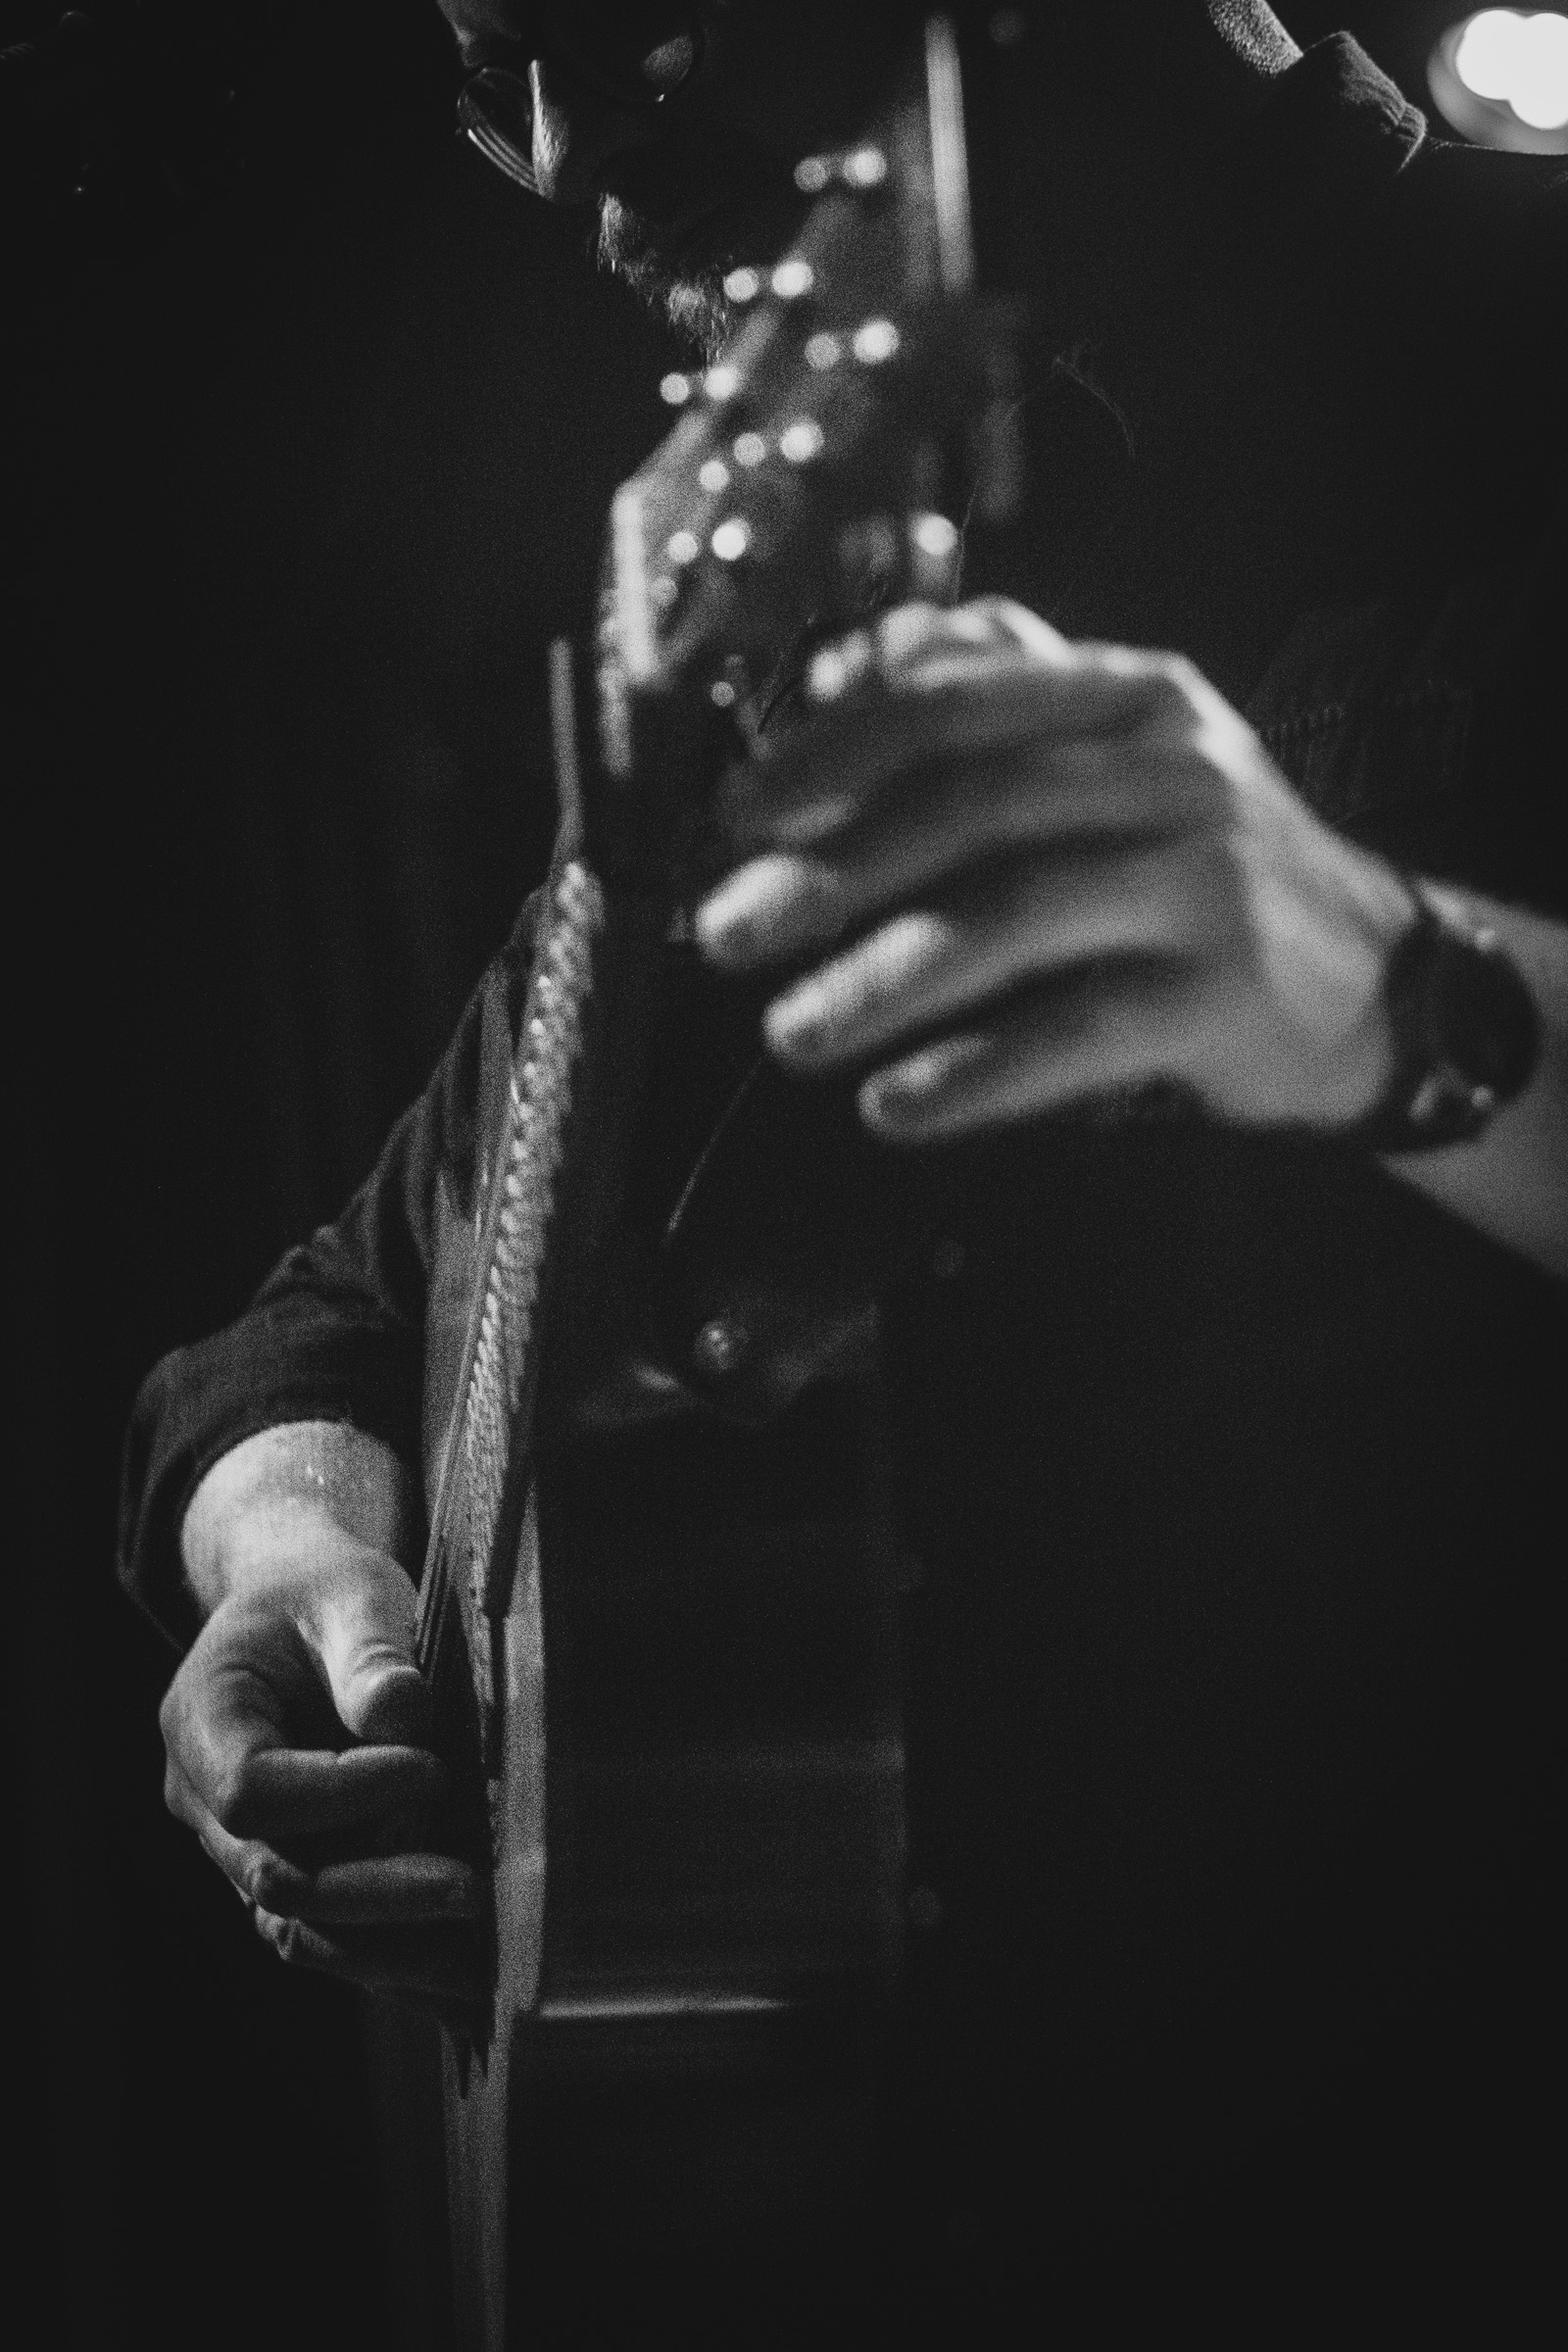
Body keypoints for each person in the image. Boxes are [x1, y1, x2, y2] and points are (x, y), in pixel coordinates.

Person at [122, 0, 1565, 2329]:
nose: (580, 153)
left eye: (629, 14)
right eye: (494, 69)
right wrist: (290, 1545)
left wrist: (1405, 1002)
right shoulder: (793, 629)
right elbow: (322, 1317)